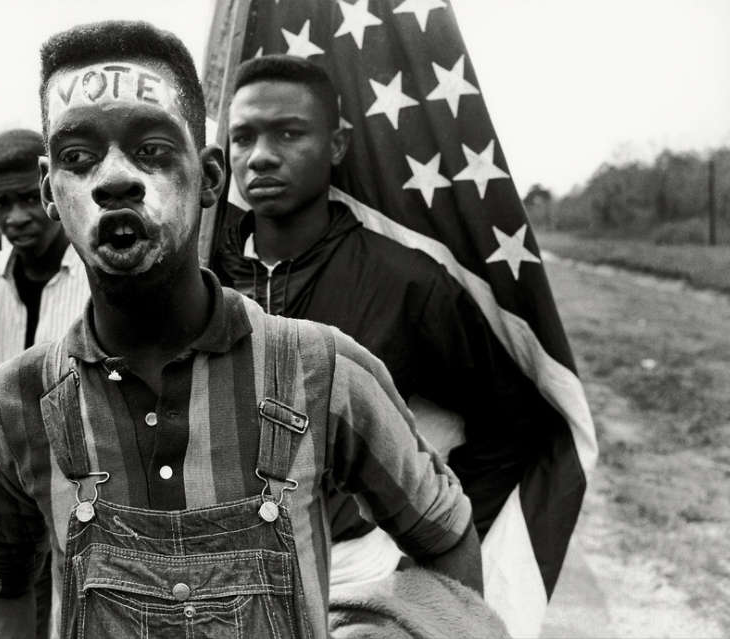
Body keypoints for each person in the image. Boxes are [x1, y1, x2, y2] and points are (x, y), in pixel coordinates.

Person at [0, 21, 481, 639]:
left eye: (152, 149)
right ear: (51, 190)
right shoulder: (9, 407)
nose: (116, 178)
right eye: (79, 158)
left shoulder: (326, 370)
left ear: (210, 177)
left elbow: (445, 538)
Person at [213, 54, 563, 584]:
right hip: (213, 570)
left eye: (288, 133)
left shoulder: (407, 284)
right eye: (244, 138)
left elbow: (511, 425)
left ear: (336, 145)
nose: (261, 157)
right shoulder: (199, 277)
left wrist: (430, 546)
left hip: (348, 572)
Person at [0, 130, 87, 375]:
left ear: (52, 189)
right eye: (0, 203)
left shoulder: (97, 281)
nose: (15, 218)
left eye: (29, 198)